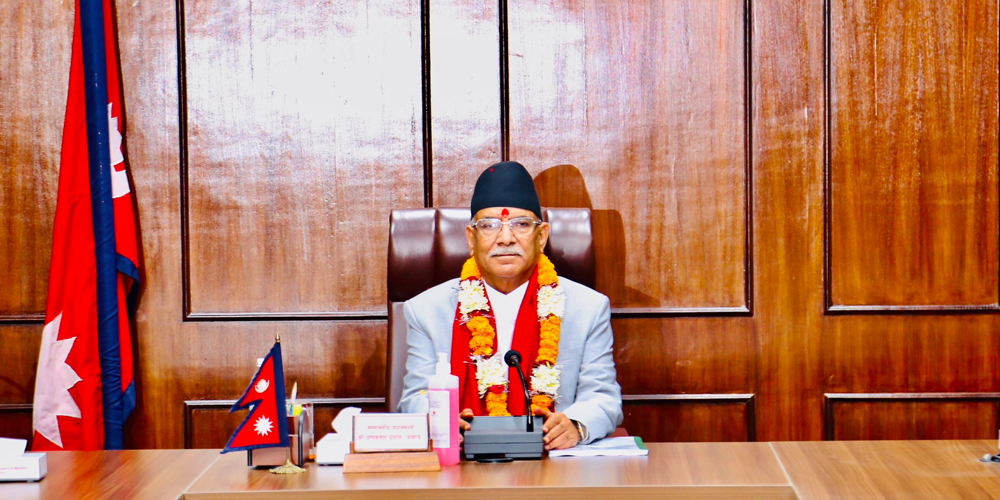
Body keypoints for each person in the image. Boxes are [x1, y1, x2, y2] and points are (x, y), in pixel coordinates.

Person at [398, 161, 622, 450]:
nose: (505, 238)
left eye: (521, 224)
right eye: (489, 225)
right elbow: (415, 398)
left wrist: (575, 425)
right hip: (462, 460)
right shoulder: (426, 310)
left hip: (552, 460)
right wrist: (440, 420)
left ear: (542, 236)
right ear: (471, 238)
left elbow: (603, 397)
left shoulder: (588, 307)